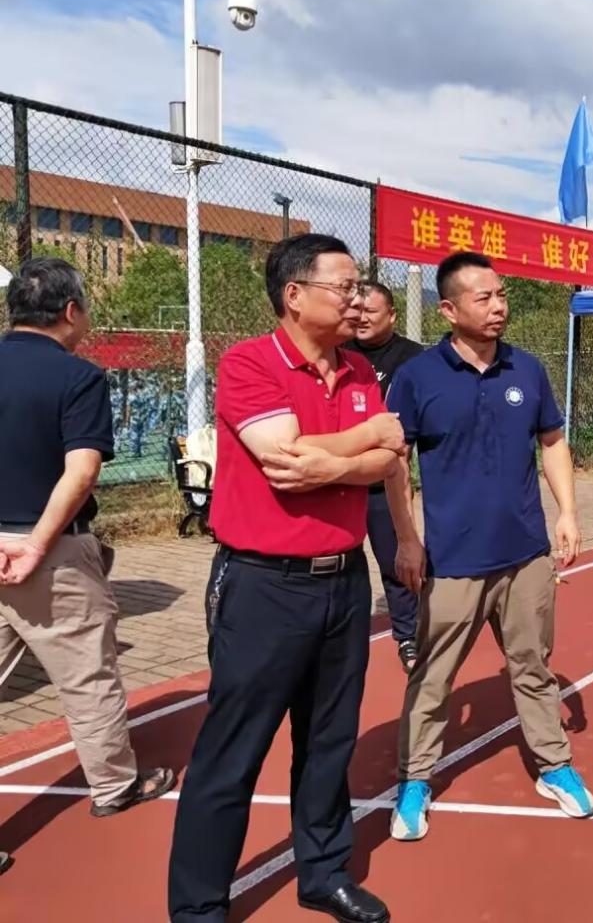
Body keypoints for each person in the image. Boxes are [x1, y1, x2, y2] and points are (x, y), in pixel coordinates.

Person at [168, 234, 402, 923]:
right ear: (294, 295)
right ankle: (198, 907)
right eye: (345, 287)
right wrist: (364, 443)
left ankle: (323, 873)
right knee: (232, 751)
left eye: (360, 287)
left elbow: (389, 455)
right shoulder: (250, 363)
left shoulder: (359, 370)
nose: (358, 299)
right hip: (264, 587)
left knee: (329, 741)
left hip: (344, 583)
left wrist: (336, 460)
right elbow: (283, 459)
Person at [386, 251, 593, 842]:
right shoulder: (418, 377)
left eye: (501, 294)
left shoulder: (526, 369)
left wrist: (567, 513)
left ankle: (554, 765)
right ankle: (415, 779)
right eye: (484, 297)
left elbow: (552, 441)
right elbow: (395, 462)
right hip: (452, 560)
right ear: (449, 310)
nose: (499, 305)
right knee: (433, 676)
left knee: (533, 665)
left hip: (525, 554)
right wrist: (408, 538)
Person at [0, 257, 175, 830]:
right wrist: (34, 545)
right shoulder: (78, 377)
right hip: (50, 551)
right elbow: (80, 473)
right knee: (86, 677)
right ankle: (114, 785)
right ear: (71, 311)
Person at [342, 282, 425, 671]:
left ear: (391, 315)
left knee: (397, 563)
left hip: (384, 484)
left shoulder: (413, 359)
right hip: (341, 483)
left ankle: (409, 635)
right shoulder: (339, 352)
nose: (361, 318)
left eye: (370, 312)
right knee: (341, 566)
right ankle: (341, 636)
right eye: (356, 311)